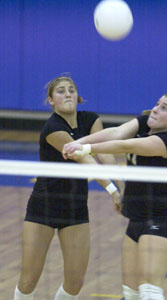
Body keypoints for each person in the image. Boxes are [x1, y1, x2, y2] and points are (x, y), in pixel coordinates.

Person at [62, 93, 167, 300]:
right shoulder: (144, 123)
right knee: (130, 293)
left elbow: (124, 145)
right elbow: (116, 133)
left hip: (159, 222)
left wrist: (86, 148)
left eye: (164, 108)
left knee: (149, 290)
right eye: (157, 103)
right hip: (135, 221)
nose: (156, 109)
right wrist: (79, 141)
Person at [14, 75, 123, 300]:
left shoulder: (91, 120)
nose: (67, 94)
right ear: (51, 101)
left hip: (75, 208)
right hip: (43, 208)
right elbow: (84, 159)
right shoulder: (52, 128)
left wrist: (122, 188)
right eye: (61, 91)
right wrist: (111, 190)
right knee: (28, 279)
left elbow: (104, 154)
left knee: (75, 282)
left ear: (78, 96)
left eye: (71, 90)